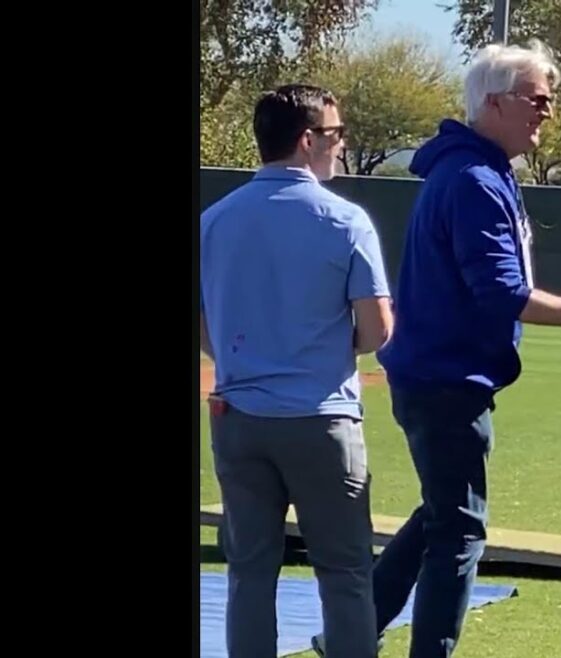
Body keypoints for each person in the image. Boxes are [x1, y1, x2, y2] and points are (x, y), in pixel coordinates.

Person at [310, 40, 561, 658]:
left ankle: (348, 634)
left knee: (442, 513)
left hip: (438, 372)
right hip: (445, 377)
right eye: (537, 99)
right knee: (460, 530)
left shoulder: (477, 170)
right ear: (494, 103)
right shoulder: (472, 177)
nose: (547, 110)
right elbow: (501, 293)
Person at [200, 84, 394, 658]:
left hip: (237, 416)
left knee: (250, 574)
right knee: (346, 574)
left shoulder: (214, 219)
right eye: (334, 135)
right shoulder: (345, 220)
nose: (340, 146)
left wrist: (241, 359)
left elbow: (204, 321)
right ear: (307, 141)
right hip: (320, 418)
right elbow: (378, 329)